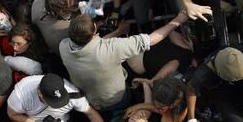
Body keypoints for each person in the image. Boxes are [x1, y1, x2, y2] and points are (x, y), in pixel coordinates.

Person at [59, 11, 188, 113]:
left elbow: (96, 46)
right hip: (115, 99)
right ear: (94, 32)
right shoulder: (112, 49)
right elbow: (152, 39)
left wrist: (118, 32)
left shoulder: (63, 46)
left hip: (90, 98)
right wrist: (179, 20)